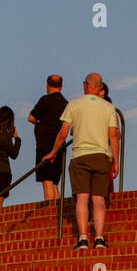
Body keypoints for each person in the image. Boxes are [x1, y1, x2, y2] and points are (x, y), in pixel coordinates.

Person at [42, 73, 119, 252]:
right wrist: (115, 160)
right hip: (101, 156)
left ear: (86, 86)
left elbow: (63, 133)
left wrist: (53, 152)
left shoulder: (74, 105)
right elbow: (113, 136)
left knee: (82, 199)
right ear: (100, 88)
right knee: (99, 199)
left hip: (80, 157)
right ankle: (99, 238)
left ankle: (83, 238)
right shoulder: (109, 108)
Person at [27, 75, 67, 203]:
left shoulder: (45, 100)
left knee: (46, 179)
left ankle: (49, 209)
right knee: (54, 180)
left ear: (47, 84)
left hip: (45, 144)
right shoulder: (65, 103)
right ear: (61, 86)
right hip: (60, 144)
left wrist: (40, 122)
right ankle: (57, 209)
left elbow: (31, 117)